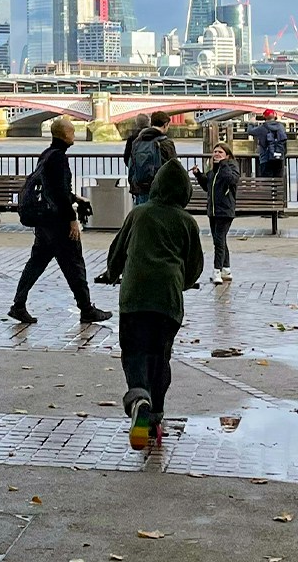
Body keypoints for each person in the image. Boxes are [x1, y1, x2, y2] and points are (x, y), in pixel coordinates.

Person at [97, 159, 203, 449]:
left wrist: (112, 272)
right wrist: (181, 281)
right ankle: (155, 416)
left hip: (134, 298)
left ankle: (138, 399)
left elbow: (117, 251)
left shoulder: (139, 214)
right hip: (168, 301)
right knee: (160, 357)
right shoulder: (187, 222)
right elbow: (195, 266)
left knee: (134, 354)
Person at [7, 117, 113, 326]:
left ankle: (18, 305)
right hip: (58, 222)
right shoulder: (59, 159)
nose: (74, 135)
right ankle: (86, 309)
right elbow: (59, 193)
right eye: (72, 132)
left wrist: (75, 198)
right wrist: (72, 219)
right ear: (64, 134)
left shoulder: (47, 155)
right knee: (74, 264)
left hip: (44, 222)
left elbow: (52, 189)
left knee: (36, 263)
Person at [193, 142, 240, 285]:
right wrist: (199, 175)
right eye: (215, 152)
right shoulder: (213, 170)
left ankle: (217, 271)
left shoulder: (231, 167)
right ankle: (226, 269)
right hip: (213, 210)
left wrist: (223, 164)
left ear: (227, 155)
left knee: (218, 241)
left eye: (220, 152)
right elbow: (208, 187)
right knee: (219, 240)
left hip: (225, 210)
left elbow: (231, 180)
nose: (217, 154)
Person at [125, 111, 178, 206]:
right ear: (165, 125)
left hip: (140, 190)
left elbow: (131, 164)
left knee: (141, 219)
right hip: (160, 192)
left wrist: (135, 187)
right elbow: (174, 168)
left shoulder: (137, 142)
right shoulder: (166, 143)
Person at [247, 109, 288, 179]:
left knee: (266, 181)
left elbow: (250, 131)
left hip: (265, 158)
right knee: (278, 181)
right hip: (279, 158)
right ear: (275, 116)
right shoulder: (281, 127)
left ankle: (268, 190)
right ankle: (277, 190)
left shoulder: (263, 128)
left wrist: (251, 123)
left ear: (264, 117)